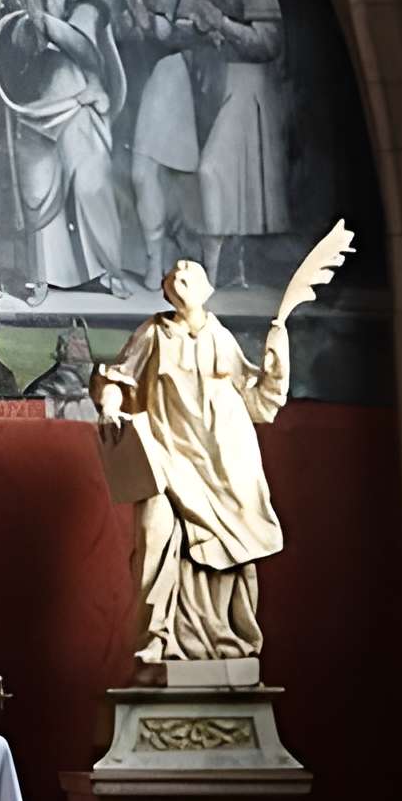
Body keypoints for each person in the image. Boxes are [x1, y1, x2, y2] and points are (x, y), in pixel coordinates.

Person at [91, 256, 290, 665]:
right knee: (155, 536)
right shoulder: (154, 333)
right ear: (166, 290)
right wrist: (110, 408)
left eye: (189, 275)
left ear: (205, 290)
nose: (180, 278)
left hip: (223, 466)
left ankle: (225, 642)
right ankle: (157, 639)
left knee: (228, 553)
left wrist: (275, 371)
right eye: (173, 277)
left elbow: (256, 400)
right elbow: (116, 377)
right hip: (167, 459)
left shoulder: (220, 336)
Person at [0, 0, 138, 302]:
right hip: (34, 97)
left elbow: (86, 45)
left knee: (92, 186)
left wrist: (46, 22)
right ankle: (42, 277)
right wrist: (24, 30)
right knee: (37, 191)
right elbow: (10, 37)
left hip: (79, 95)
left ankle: (109, 271)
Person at [176, 0, 288, 286]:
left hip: (245, 86)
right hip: (205, 83)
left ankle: (211, 271)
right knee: (205, 180)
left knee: (215, 173)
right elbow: (180, 29)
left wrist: (222, 24)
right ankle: (227, 272)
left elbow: (269, 42)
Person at [103, 0, 198, 282]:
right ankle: (121, 256)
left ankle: (157, 259)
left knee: (148, 172)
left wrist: (150, 23)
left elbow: (181, 29)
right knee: (117, 170)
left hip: (159, 79)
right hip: (118, 75)